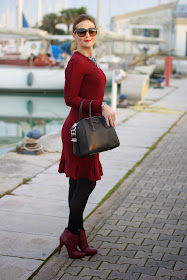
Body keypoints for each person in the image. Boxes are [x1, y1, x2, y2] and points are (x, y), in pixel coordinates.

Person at [58, 14, 116, 259]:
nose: (87, 36)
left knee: (77, 182)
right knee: (86, 182)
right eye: (81, 32)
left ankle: (78, 235)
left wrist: (98, 106)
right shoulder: (77, 61)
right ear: (74, 35)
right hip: (80, 131)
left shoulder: (88, 59)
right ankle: (71, 233)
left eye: (91, 31)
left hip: (87, 127)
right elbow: (69, 99)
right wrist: (101, 106)